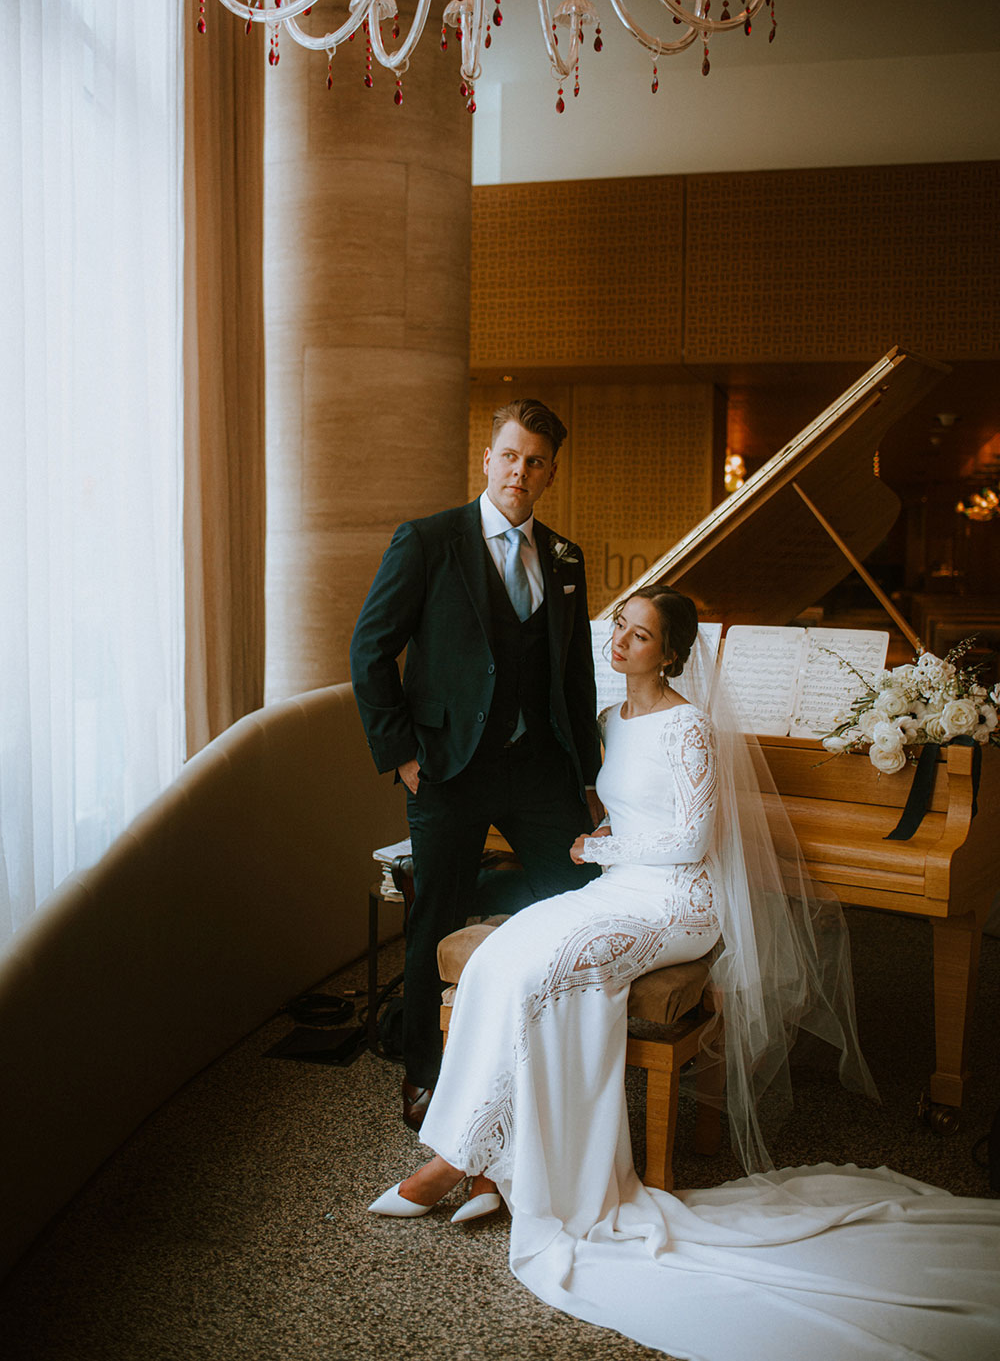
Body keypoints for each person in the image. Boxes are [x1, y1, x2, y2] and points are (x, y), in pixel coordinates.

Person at [368, 584, 1000, 1361]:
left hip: (677, 902)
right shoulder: (609, 721)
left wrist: (594, 849)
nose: (622, 642)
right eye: (621, 629)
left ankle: (456, 1160)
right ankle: (500, 1166)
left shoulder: (691, 728)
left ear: (670, 654)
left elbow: (690, 840)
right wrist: (596, 840)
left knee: (552, 968)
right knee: (506, 956)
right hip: (620, 887)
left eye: (640, 635)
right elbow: (623, 812)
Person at [350, 398, 604, 1130]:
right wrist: (400, 756)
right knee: (434, 916)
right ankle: (427, 1075)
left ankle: (539, 1050)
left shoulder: (563, 557)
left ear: (550, 473)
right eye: (510, 456)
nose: (520, 471)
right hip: (447, 768)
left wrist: (585, 777)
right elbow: (370, 652)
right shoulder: (427, 542)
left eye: (536, 461)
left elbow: (575, 674)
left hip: (537, 770)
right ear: (487, 460)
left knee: (574, 892)